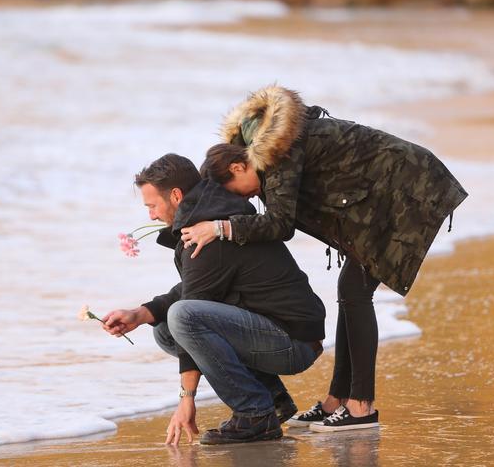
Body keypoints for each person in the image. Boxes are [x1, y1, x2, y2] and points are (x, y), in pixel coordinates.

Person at [184, 85, 468, 432]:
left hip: (409, 186)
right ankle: (338, 400)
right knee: (350, 288)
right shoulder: (268, 148)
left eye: (238, 191)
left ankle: (361, 407)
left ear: (239, 165)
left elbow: (280, 223)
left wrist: (221, 228)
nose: (249, 197)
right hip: (384, 191)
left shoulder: (275, 153)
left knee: (355, 290)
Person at [102, 153, 326, 445]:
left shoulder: (208, 231)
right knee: (166, 330)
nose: (151, 216)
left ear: (176, 195)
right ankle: (270, 399)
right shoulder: (205, 217)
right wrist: (141, 313)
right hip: (282, 332)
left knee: (181, 319)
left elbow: (190, 310)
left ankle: (255, 413)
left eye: (152, 205)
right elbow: (194, 289)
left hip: (292, 342)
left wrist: (186, 399)